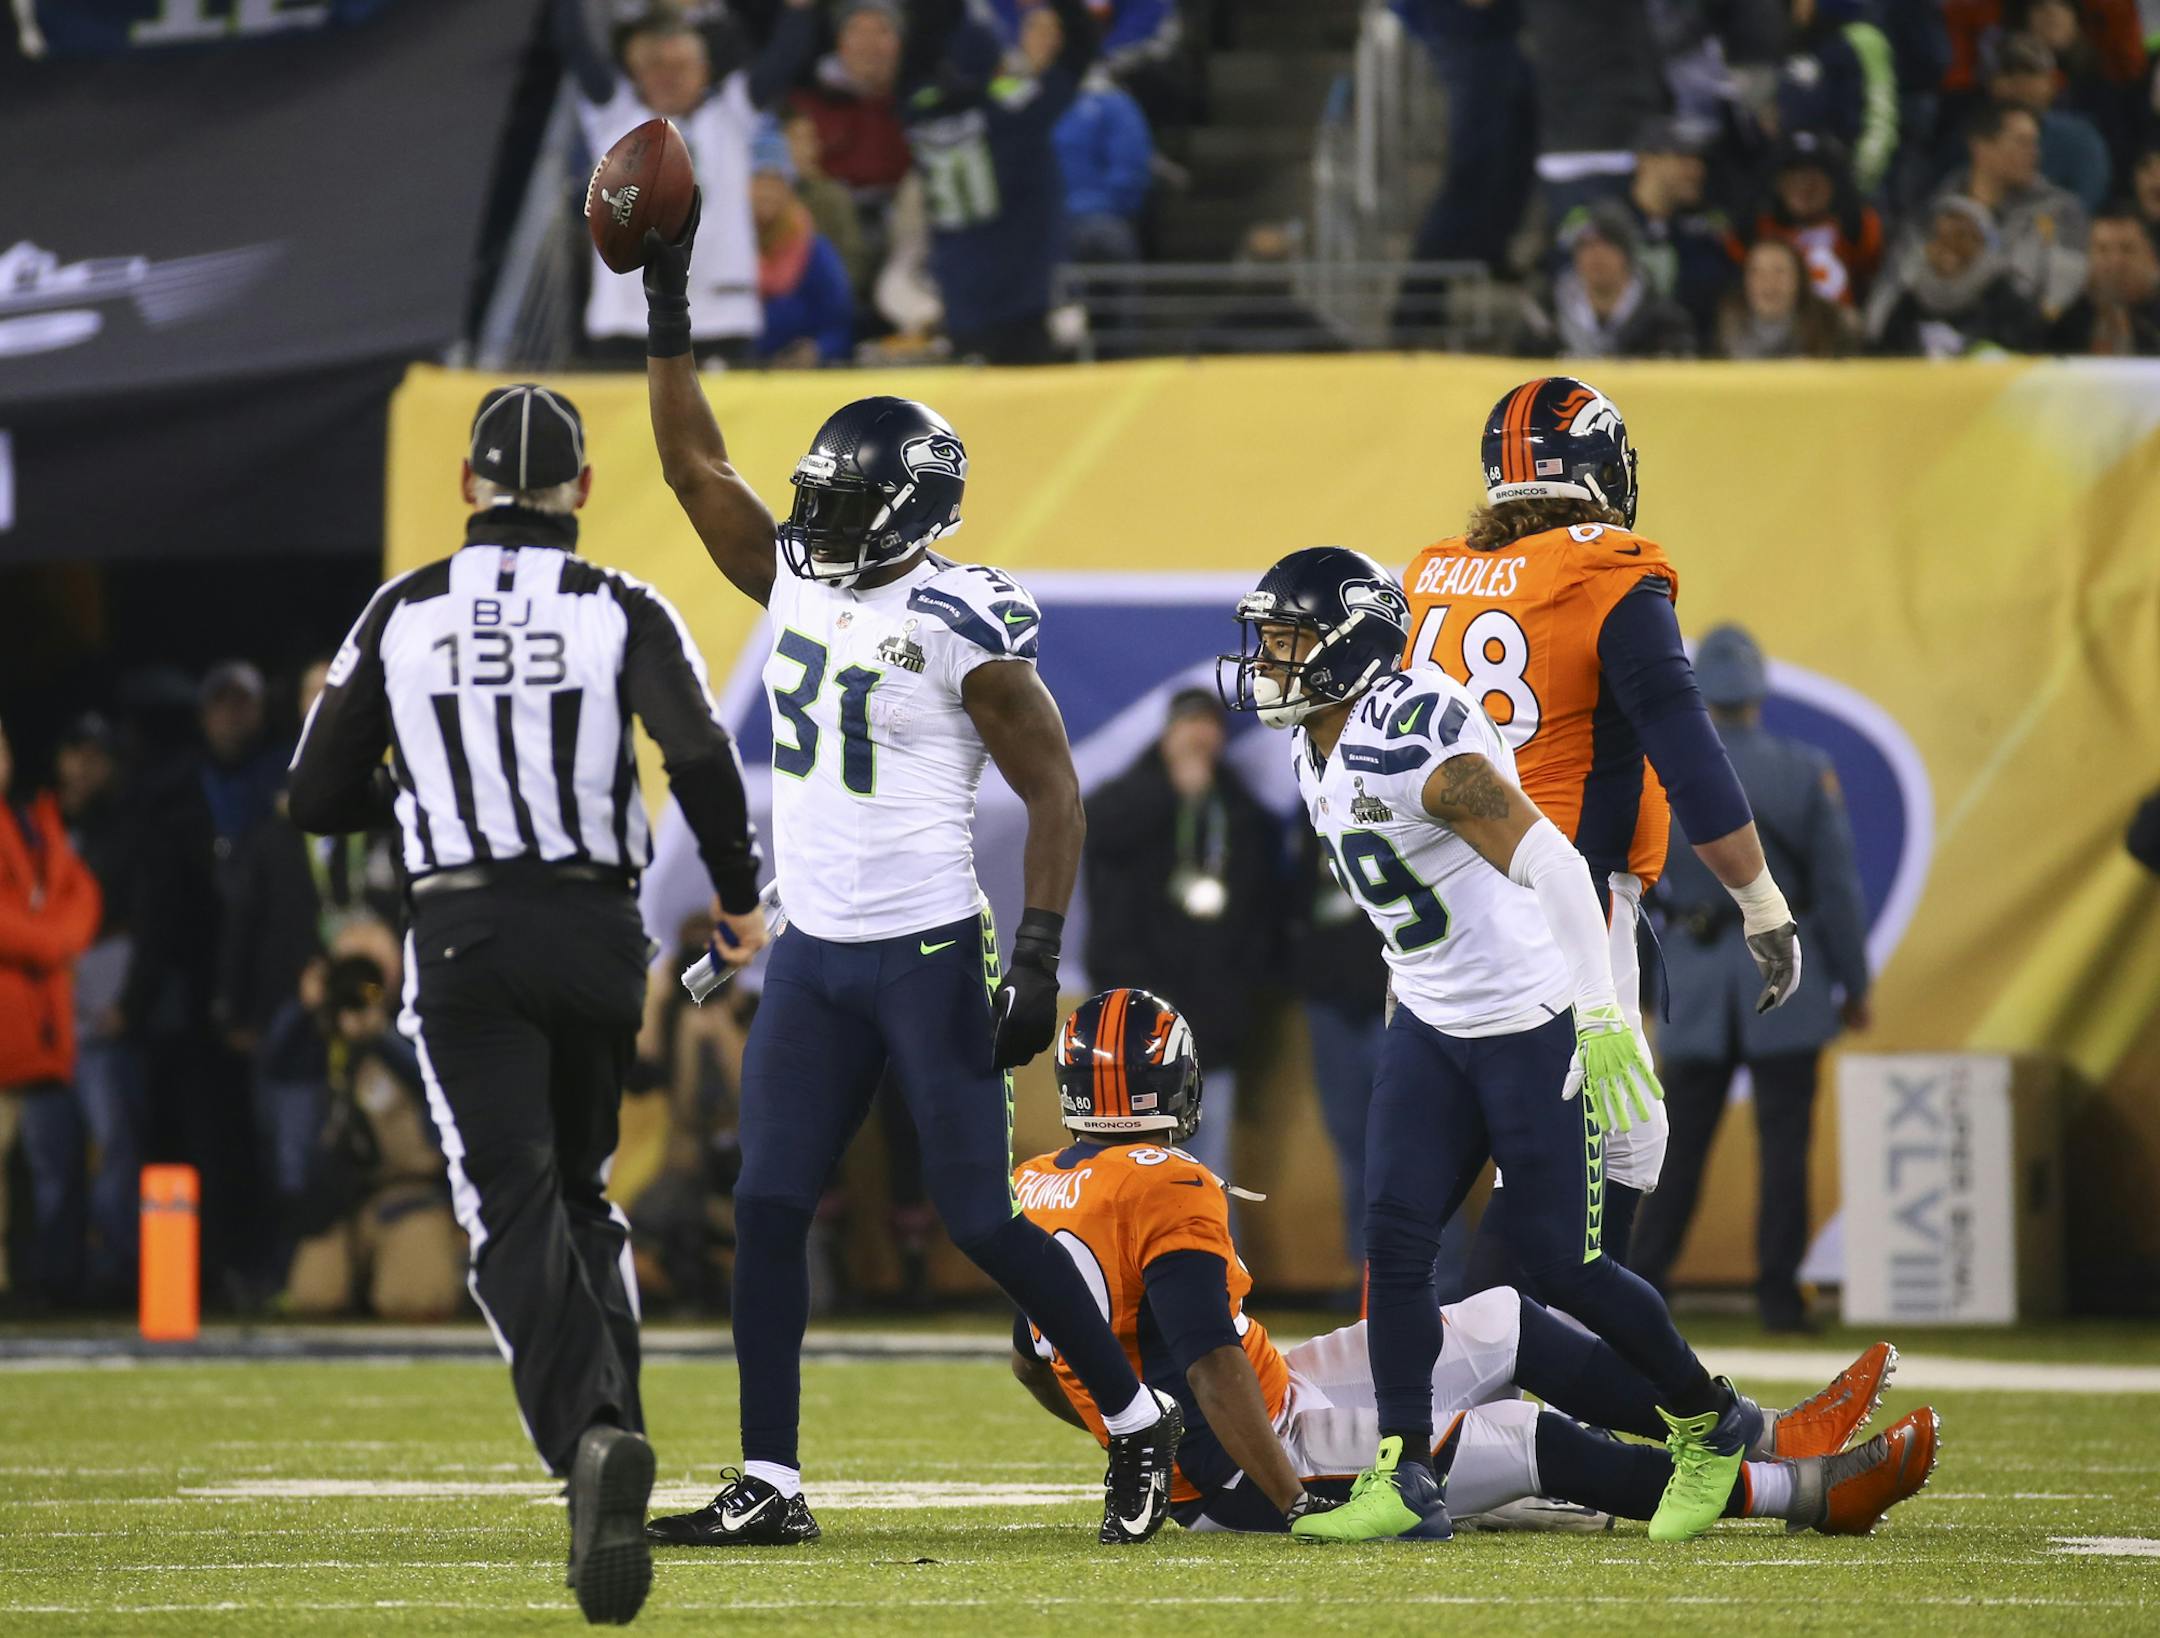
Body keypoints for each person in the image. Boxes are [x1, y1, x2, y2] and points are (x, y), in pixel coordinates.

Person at [631, 194, 1183, 1550]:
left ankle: (1135, 1416)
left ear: (908, 511)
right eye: (811, 498)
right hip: (817, 951)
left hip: (932, 949)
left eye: (836, 502)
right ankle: (773, 1477)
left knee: (981, 1222)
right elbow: (697, 469)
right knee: (765, 1204)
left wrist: (1040, 955)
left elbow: (1054, 790)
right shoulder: (809, 578)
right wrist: (662, 301)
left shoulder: (961, 620)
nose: (811, 518)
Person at [287, 381, 768, 1625]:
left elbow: (312, 793)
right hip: (599, 934)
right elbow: (700, 754)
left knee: (505, 1198)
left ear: (466, 490)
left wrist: (413, 791)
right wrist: (737, 897)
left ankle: (590, 1440)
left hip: (465, 930)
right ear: (583, 493)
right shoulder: (620, 605)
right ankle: (621, 1427)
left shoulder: (402, 611)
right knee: (582, 1190)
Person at [1220, 546, 1776, 1544]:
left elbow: (1558, 867)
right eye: (1266, 639)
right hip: (1434, 1018)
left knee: (1566, 1265)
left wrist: (1600, 1014)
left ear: (1349, 651)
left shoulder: (1410, 742)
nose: (1269, 661)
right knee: (1394, 1244)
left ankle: (1712, 1419)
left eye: (1290, 641)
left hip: (1527, 1019)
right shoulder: (1318, 737)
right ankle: (1405, 1471)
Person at [1011, 986, 1936, 1537]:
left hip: (1264, 1400)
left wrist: (1125, 1428)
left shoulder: (1041, 1181)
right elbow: (1209, 1363)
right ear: (1175, 1081)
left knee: (1502, 1317)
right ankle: (1801, 1494)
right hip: (1248, 1459)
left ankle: (1766, 1430)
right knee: (1520, 1440)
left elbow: (1033, 1356)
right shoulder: (1161, 1181)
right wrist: (1289, 1498)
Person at [1400, 376, 1809, 1270]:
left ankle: (1486, 1361)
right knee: (1595, 1150)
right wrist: (1761, 900)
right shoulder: (1600, 569)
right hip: (1563, 895)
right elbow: (1688, 753)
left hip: (1438, 906)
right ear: (1596, 468)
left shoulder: (1431, 576)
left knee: (1551, 1145)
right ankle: (1529, 1358)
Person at [1629, 627, 1873, 1334]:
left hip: (1697, 979)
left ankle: (1645, 1287)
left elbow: (1637, 882)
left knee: (1672, 1149)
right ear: (1759, 692)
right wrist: (1853, 986)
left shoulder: (1663, 770)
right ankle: (1776, 1296)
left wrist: (1645, 985)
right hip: (1787, 973)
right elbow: (1836, 889)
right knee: (1785, 1147)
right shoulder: (1803, 769)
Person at [1081, 687, 1279, 1182]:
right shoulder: (1125, 795)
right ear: (1167, 732)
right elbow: (1099, 833)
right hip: (1131, 1029)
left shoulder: (1238, 810)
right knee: (1125, 1169)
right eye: (1187, 724)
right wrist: (1173, 791)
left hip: (1210, 1028)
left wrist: (1238, 999)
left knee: (1206, 1174)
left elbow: (1259, 913)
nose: (1198, 735)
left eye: (1209, 725)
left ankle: (1208, 1260)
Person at [561, 0, 820, 366]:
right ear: (637, 74)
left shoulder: (732, 114)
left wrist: (799, 11)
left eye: (681, 66)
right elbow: (576, 46)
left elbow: (783, 58)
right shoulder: (615, 117)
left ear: (704, 70)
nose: (668, 77)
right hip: (626, 320)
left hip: (721, 320)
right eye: (655, 67)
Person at [900, 0, 1096, 362]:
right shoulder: (1017, 114)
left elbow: (916, 54)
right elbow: (1079, 52)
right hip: (1021, 295)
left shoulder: (918, 114)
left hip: (959, 296)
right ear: (995, 65)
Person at [273, 954, 465, 1321]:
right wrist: (306, 1008)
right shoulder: (317, 1050)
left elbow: (432, 1082)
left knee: (413, 1301)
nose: (357, 1006)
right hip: (337, 1204)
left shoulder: (411, 1031)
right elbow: (274, 1062)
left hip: (408, 1196)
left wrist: (380, 1032)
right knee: (314, 1300)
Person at [0, 715, 102, 1309]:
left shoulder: (34, 821)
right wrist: (54, 942)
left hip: (41, 1027)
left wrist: (53, 937)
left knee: (50, 1172)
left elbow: (82, 894)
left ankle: (45, 1283)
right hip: (14, 1020)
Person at [52, 712, 150, 1306]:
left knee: (113, 1142)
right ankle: (54, 1275)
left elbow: (148, 922)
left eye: (97, 754)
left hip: (102, 992)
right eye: (76, 752)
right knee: (50, 1148)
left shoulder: (130, 829)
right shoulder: (32, 825)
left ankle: (115, 1272)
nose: (86, 765)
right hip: (41, 1005)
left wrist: (130, 1000)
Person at [1286, 823, 1391, 1289]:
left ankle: (1438, 1284)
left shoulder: (1398, 782)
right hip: (1332, 1000)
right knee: (1353, 1147)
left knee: (1413, 1145)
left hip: (1400, 998)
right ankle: (1368, 1279)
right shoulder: (1313, 802)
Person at [1931, 100, 2090, 320]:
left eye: (2035, 144)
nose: (2034, 153)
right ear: (1981, 146)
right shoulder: (1940, 204)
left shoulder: (2060, 209)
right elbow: (1903, 274)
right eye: (2022, 143)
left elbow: (2062, 287)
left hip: (2025, 334)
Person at [1514, 201, 1697, 359]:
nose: (1596, 255)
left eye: (1608, 245)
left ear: (1627, 255)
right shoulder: (1546, 315)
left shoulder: (1664, 321)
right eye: (1585, 246)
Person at [1867, 195, 2046, 354]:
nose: (1950, 247)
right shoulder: (1908, 303)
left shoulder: (2007, 300)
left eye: (1962, 237)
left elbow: (2028, 357)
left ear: (1983, 245)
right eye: (1940, 236)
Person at [748, 121, 856, 366]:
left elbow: (839, 326)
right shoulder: (720, 252)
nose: (766, 192)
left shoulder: (814, 251)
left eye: (776, 182)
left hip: (798, 378)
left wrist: (815, 351)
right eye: (757, 181)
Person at [788, 0, 913, 201]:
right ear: (840, 42)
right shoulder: (807, 107)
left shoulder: (918, 104)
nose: (869, 44)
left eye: (882, 31)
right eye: (858, 31)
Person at [1775, 0, 1900, 198]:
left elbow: (1880, 112)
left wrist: (1861, 174)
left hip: (1850, 175)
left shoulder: (1862, 38)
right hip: (1797, 178)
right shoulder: (1795, 39)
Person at [1747, 131, 1885, 310]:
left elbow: (1872, 262)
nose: (1804, 185)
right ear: (1778, 183)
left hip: (1839, 332)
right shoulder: (1760, 228)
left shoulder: (1854, 225)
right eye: (1794, 175)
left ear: (1834, 183)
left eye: (1815, 174)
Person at [1986, 32, 2111, 211]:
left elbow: (2085, 205)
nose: (2019, 82)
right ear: (1992, 85)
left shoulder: (2079, 137)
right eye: (2008, 72)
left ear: (2051, 84)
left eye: (2030, 72)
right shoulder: (1973, 137)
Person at [1053, 60, 1154, 263]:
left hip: (1097, 221)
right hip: (1047, 222)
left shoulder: (1113, 104)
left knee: (1103, 236)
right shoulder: (1027, 101)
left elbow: (1131, 170)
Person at [2045, 201, 2160, 353]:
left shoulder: (2153, 325)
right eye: (2103, 250)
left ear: (2151, 258)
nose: (2115, 262)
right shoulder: (2065, 321)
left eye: (2127, 249)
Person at [1715, 236, 1856, 356]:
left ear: (1799, 279)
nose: (1769, 282)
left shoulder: (1833, 326)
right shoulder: (1725, 331)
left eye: (1780, 271)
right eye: (1757, 272)